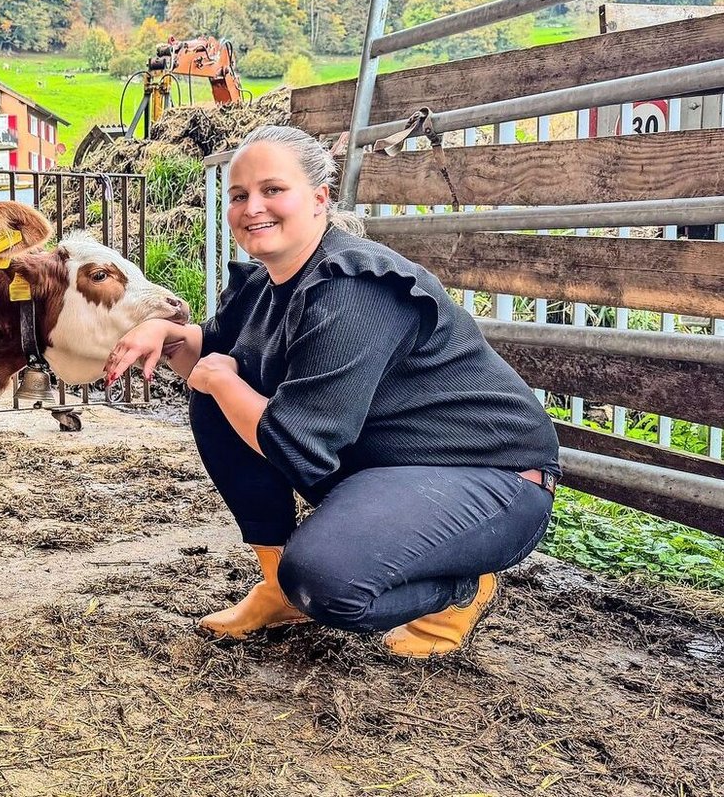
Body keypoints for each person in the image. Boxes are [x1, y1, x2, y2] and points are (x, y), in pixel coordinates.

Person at [104, 125, 560, 659]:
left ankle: (459, 590)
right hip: (388, 466)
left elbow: (292, 440)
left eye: (273, 190)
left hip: (489, 479)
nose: (253, 207)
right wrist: (167, 333)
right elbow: (213, 350)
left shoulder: (352, 287)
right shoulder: (265, 282)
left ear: (319, 199)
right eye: (238, 195)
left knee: (327, 582)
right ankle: (278, 589)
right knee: (216, 400)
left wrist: (221, 378)